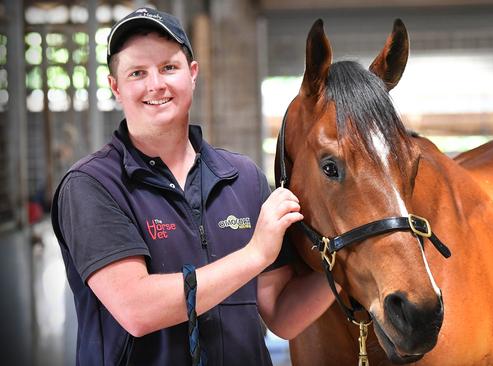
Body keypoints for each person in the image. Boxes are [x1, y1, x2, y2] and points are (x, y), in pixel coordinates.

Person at [51, 7, 336, 365]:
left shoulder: (243, 178)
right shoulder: (92, 185)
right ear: (116, 88)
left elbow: (282, 315)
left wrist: (349, 265)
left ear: (193, 73)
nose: (156, 84)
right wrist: (254, 255)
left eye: (169, 67)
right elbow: (137, 309)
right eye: (138, 72)